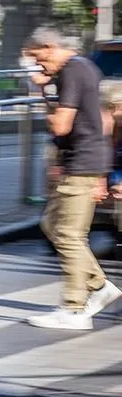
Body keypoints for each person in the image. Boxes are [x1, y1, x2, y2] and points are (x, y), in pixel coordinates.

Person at [25, 26, 120, 330]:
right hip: (82, 161)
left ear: (50, 46)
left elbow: (60, 125)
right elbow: (99, 122)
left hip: (82, 163)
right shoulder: (84, 68)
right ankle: (99, 285)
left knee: (68, 234)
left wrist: (41, 92)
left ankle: (75, 308)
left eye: (40, 59)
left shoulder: (71, 71)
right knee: (52, 225)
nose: (40, 66)